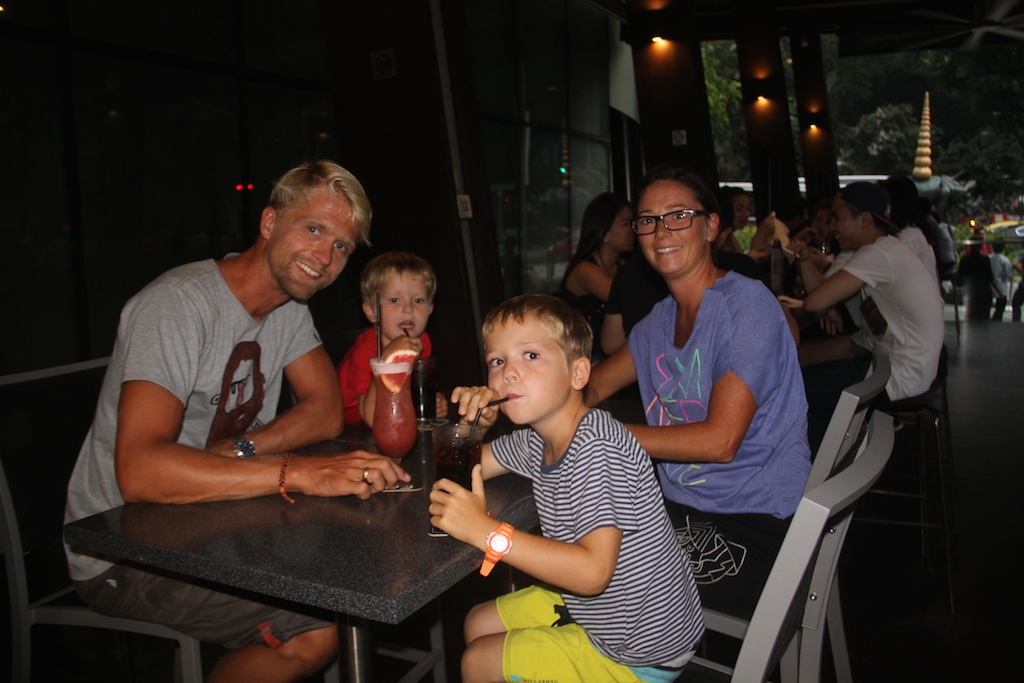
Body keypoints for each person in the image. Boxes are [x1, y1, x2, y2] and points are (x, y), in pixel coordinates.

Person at [64, 160, 411, 683]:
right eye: (313, 229)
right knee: (319, 624)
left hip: (221, 523)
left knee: (365, 564)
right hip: (121, 550)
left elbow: (322, 408)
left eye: (341, 245)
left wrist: (249, 447)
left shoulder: (287, 309)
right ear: (269, 223)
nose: (324, 257)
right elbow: (139, 471)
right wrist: (292, 470)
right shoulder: (176, 305)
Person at [430, 294, 703, 683]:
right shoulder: (538, 439)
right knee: (478, 622)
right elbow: (469, 463)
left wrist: (487, 533)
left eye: (531, 356)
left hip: (639, 648)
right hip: (604, 610)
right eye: (497, 360)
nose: (508, 372)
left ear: (578, 374)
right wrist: (479, 424)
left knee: (478, 662)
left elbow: (593, 572)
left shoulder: (599, 445)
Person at [585, 163, 812, 619]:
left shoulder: (745, 306)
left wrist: (599, 432)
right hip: (681, 513)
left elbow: (719, 441)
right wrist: (505, 396)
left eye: (678, 215)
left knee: (593, 584)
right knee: (571, 556)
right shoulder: (657, 324)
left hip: (756, 525)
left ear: (710, 226)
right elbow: (590, 389)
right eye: (647, 219)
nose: (660, 229)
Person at [803, 181, 945, 402]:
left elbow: (814, 303)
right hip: (898, 365)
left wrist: (826, 304)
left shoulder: (879, 255)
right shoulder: (888, 248)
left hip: (899, 376)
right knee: (806, 373)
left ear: (865, 220)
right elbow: (821, 299)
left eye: (838, 218)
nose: (833, 227)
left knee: (800, 390)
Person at [336, 250, 447, 425]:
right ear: (372, 312)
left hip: (398, 421)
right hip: (352, 430)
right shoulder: (365, 351)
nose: (408, 309)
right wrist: (386, 359)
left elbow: (413, 392)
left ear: (430, 309)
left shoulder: (422, 341)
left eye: (418, 301)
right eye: (394, 300)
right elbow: (372, 418)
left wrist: (436, 401)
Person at [556, 192, 634, 351]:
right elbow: (626, 301)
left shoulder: (622, 266)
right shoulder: (585, 270)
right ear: (604, 232)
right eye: (626, 224)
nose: (632, 230)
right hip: (582, 353)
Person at [989, 240, 1013, 321]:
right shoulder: (1005, 260)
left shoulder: (988, 258)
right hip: (1001, 286)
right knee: (1000, 310)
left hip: (989, 286)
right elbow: (1008, 274)